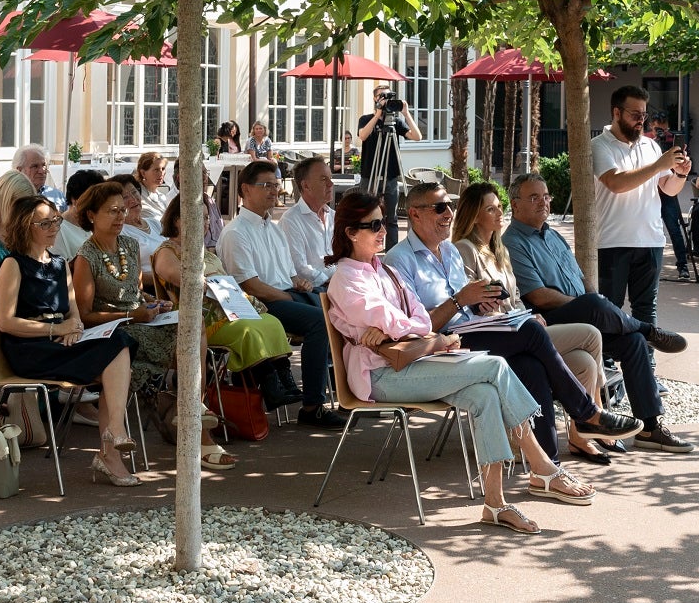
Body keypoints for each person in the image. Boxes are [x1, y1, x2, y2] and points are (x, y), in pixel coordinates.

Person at [326, 190, 569, 534]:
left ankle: (495, 505)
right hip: (379, 376)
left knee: (485, 395)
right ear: (351, 232)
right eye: (374, 225)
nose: (383, 231)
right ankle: (540, 463)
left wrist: (396, 328)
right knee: (496, 366)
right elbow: (400, 320)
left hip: (410, 363)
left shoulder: (384, 272)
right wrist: (396, 327)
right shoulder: (347, 277)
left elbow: (420, 321)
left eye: (385, 222)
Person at [388, 180, 640, 487]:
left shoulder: (451, 253)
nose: (448, 214)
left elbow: (465, 306)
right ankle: (587, 413)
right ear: (414, 214)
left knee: (530, 365)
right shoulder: (399, 260)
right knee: (533, 332)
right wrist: (460, 301)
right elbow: (414, 326)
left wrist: (481, 303)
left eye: (450, 206)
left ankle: (548, 470)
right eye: (439, 207)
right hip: (442, 345)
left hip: (472, 330)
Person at [504, 173, 693, 453]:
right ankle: (647, 329)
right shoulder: (513, 242)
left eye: (545, 196)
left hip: (584, 317)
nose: (543, 202)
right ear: (515, 204)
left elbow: (583, 280)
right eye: (533, 197)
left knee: (633, 342)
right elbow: (537, 295)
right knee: (593, 305)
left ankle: (650, 428)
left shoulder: (554, 235)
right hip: (546, 323)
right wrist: (587, 305)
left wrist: (592, 301)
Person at [452, 182, 614, 464]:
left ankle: (578, 435)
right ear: (475, 215)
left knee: (584, 362)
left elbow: (515, 300)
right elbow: (470, 303)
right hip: (495, 334)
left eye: (499, 207)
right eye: (491, 209)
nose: (499, 213)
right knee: (589, 334)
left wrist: (528, 313)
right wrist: (517, 313)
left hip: (518, 326)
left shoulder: (499, 250)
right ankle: (593, 415)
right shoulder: (466, 249)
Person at [0, 194, 140, 485]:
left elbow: (74, 315)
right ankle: (113, 442)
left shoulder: (59, 264)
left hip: (61, 344)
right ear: (25, 226)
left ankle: (112, 445)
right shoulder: (13, 264)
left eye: (55, 220)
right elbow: (5, 322)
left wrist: (72, 328)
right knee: (114, 356)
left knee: (118, 344)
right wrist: (56, 331)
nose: (53, 227)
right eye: (44, 222)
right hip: (29, 348)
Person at [153, 193, 293, 469]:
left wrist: (241, 298)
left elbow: (230, 284)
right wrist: (215, 287)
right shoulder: (167, 252)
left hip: (228, 310)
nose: (205, 223)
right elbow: (183, 279)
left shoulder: (208, 252)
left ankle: (278, 379)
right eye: (198, 218)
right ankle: (269, 384)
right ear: (179, 221)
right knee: (249, 330)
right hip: (201, 321)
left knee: (271, 322)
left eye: (207, 218)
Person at [217, 159, 344, 427]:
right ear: (246, 190)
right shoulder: (235, 233)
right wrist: (288, 294)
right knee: (321, 323)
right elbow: (249, 285)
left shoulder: (272, 228)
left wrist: (301, 284)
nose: (274, 191)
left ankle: (351, 392)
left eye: (276, 185)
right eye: (266, 185)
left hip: (287, 294)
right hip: (260, 304)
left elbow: (290, 274)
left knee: (344, 311)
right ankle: (312, 406)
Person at [70, 181, 181, 414]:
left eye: (123, 210)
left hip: (139, 320)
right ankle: (182, 406)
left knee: (191, 325)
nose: (120, 216)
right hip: (112, 330)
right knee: (185, 337)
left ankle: (185, 404)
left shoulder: (129, 245)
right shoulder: (86, 257)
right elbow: (84, 316)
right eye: (112, 211)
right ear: (91, 215)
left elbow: (135, 291)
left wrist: (153, 302)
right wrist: (131, 316)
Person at [592, 84, 690, 327]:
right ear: (616, 113)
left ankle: (646, 362)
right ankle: (607, 361)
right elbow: (616, 182)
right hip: (612, 241)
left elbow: (667, 189)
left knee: (646, 309)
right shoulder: (599, 145)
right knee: (609, 307)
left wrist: (679, 174)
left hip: (650, 241)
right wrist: (658, 166)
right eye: (635, 115)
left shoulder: (651, 146)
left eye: (644, 115)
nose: (641, 121)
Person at [357, 88, 423, 249]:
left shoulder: (395, 122)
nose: (385, 99)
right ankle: (367, 247)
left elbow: (417, 136)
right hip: (370, 175)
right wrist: (377, 115)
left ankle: (392, 250)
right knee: (368, 214)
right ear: (374, 98)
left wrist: (406, 113)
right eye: (382, 96)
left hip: (390, 176)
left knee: (392, 217)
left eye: (389, 96)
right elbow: (362, 136)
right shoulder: (366, 119)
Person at [648, 115, 695, 281]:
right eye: (656, 129)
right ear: (651, 128)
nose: (661, 132)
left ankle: (683, 266)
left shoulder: (672, 141)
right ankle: (648, 269)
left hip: (667, 192)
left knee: (674, 229)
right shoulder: (646, 142)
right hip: (650, 192)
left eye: (663, 129)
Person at [279, 155, 335, 289]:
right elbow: (299, 268)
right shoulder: (291, 220)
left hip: (340, 284)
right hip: (315, 289)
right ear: (306, 186)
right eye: (323, 179)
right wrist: (331, 280)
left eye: (330, 178)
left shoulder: (335, 217)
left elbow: (347, 256)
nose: (331, 184)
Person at [55, 168, 109, 260]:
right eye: (93, 200)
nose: (99, 204)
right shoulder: (58, 230)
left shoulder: (100, 223)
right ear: (74, 199)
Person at [133, 151, 171, 230]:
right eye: (156, 170)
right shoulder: (136, 196)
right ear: (143, 173)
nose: (161, 173)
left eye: (163, 169)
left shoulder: (162, 197)